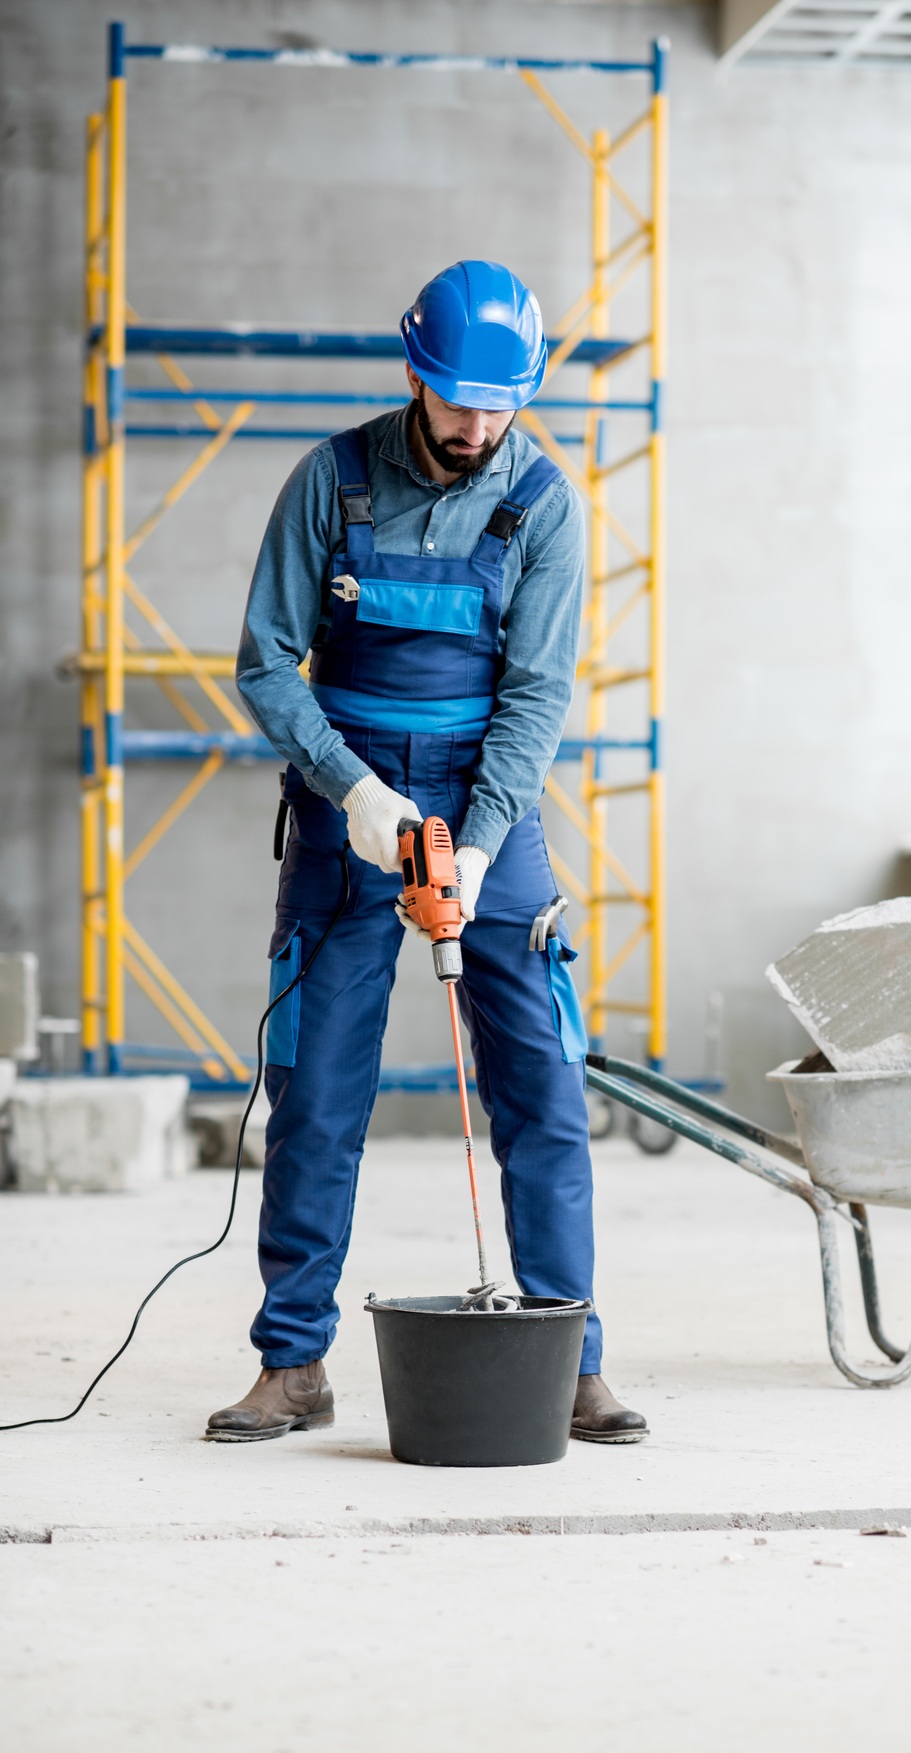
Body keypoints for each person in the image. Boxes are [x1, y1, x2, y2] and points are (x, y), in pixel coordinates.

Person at [205, 260, 645, 1447]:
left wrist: (481, 843)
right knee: (314, 1093)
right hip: (348, 805)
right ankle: (292, 1361)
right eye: (457, 402)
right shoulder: (332, 481)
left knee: (543, 1090)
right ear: (414, 375)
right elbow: (263, 662)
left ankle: (567, 1356)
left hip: (485, 800)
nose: (477, 427)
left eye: (500, 406)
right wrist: (350, 789)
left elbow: (536, 695)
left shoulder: (542, 504)